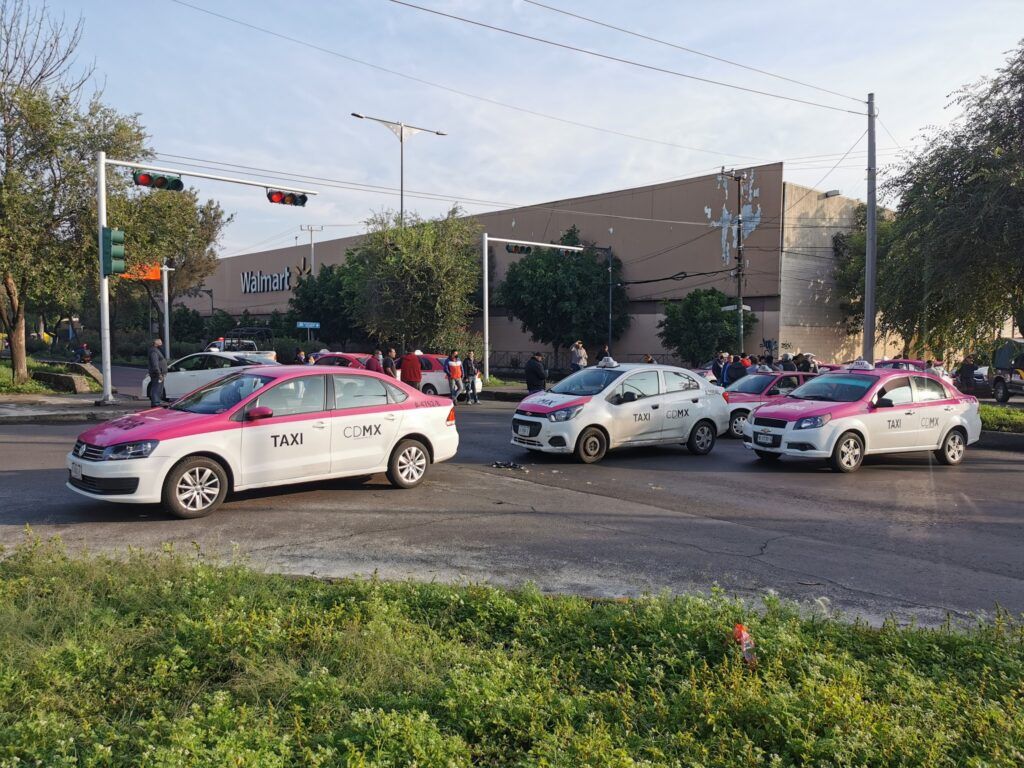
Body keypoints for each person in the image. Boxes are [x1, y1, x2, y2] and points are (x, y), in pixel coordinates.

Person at [147, 338, 168, 407]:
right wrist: (159, 374)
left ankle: (157, 402)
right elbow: (155, 364)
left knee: (158, 388)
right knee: (156, 388)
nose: (161, 343)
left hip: (159, 373)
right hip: (157, 374)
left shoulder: (156, 350)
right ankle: (155, 403)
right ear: (156, 343)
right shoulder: (154, 351)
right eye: (160, 342)